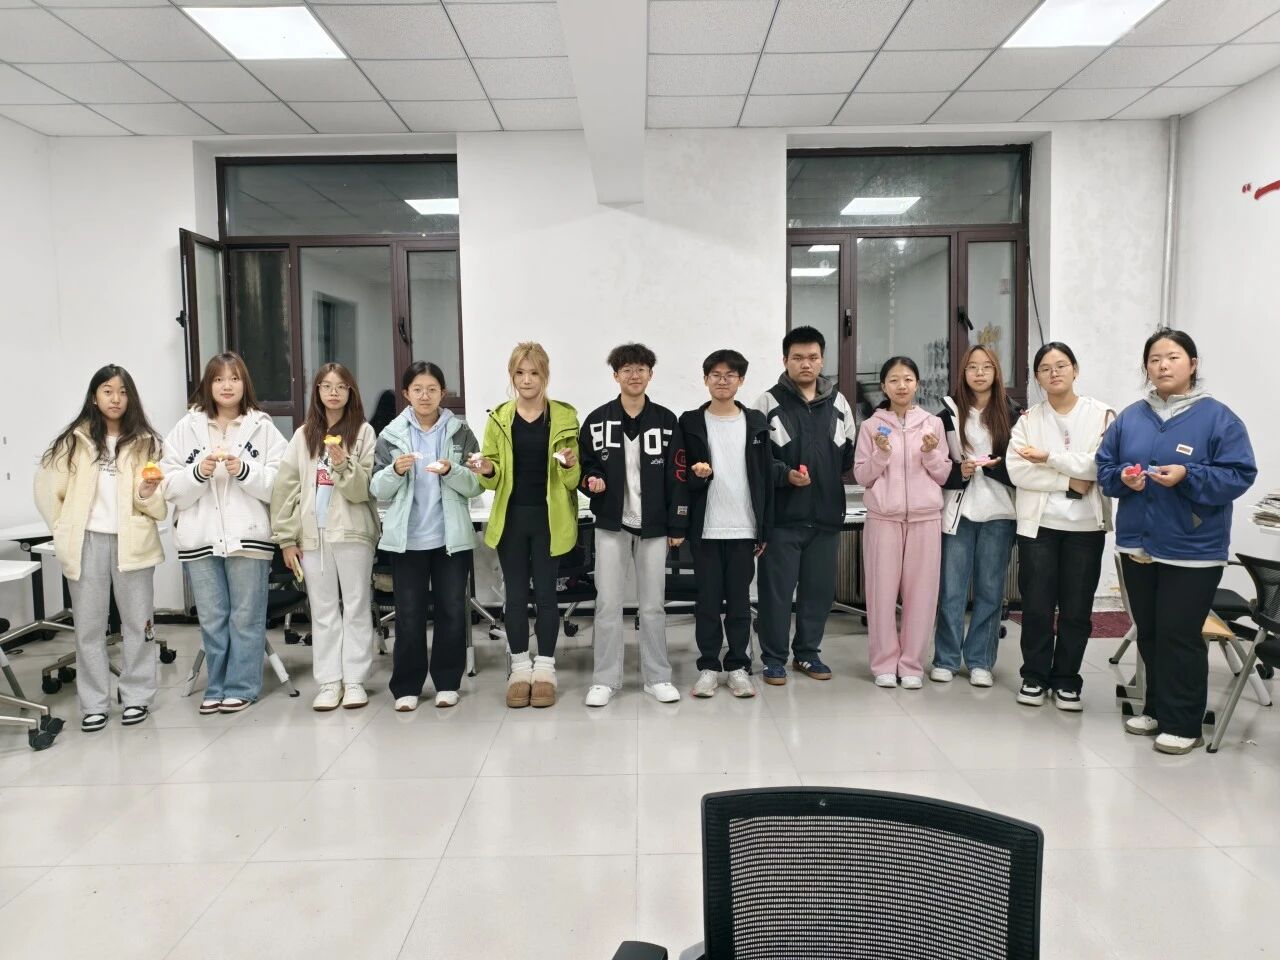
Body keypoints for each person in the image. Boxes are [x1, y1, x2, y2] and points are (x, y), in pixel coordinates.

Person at [1097, 329, 1256, 755]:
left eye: (1172, 357)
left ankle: (1184, 723)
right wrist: (1124, 478)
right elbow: (1105, 469)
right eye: (1154, 359)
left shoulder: (1218, 418)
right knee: (1149, 632)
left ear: (1193, 364)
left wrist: (1189, 475)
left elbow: (1239, 474)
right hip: (1138, 544)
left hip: (1193, 548)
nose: (1163, 365)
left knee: (1180, 635)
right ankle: (1155, 708)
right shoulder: (1131, 417)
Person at [34, 364, 166, 732]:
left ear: (130, 397)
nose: (115, 398)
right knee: (88, 628)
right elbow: (46, 490)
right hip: (86, 542)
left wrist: (146, 494)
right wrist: (63, 529)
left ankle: (137, 696)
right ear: (94, 396)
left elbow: (159, 505)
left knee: (138, 624)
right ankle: (94, 703)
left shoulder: (146, 442)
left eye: (122, 391)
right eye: (107, 391)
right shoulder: (73, 442)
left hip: (132, 541)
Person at [161, 352, 287, 715]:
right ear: (208, 385)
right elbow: (169, 486)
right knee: (213, 618)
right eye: (219, 379)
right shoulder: (186, 428)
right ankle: (215, 685)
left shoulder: (262, 428)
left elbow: (280, 484)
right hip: (199, 538)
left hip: (248, 536)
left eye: (234, 378)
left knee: (246, 616)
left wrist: (244, 470)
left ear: (245, 383)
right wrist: (198, 472)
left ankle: (242, 686)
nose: (227, 386)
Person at [469, 342, 581, 709]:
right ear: (511, 375)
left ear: (545, 375)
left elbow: (573, 480)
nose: (527, 379)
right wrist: (487, 469)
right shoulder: (500, 417)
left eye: (534, 372)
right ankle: (519, 669)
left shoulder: (565, 417)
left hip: (550, 519)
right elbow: (490, 476)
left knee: (547, 595)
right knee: (515, 596)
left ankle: (545, 669)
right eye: (520, 372)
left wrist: (569, 465)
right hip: (512, 519)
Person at [578, 343, 688, 707]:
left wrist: (677, 525)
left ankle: (657, 677)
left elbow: (678, 476)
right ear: (616, 376)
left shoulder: (666, 421)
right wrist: (591, 481)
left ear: (650, 374)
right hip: (611, 524)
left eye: (641, 369)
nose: (634, 375)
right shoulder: (597, 420)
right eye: (627, 369)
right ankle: (604, 680)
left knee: (653, 605)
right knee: (608, 603)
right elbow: (586, 466)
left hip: (655, 525)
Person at [1006, 342, 1112, 712]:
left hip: (1086, 527)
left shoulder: (1101, 415)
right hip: (1039, 526)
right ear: (1037, 377)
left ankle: (1067, 679)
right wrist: (1067, 480)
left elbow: (1100, 464)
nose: (1054, 373)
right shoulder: (1028, 420)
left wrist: (1049, 458)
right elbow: (1018, 470)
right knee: (1036, 605)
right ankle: (1034, 676)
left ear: (1075, 370)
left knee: (1076, 608)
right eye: (1045, 368)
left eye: (1061, 365)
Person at [370, 361, 482, 711]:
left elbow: (477, 484)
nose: (425, 396)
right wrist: (394, 470)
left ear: (442, 393)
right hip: (408, 540)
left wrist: (451, 471)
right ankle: (407, 686)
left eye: (432, 389)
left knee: (452, 611)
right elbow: (377, 488)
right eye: (417, 389)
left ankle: (448, 682)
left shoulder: (460, 432)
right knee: (409, 614)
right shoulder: (390, 434)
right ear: (406, 393)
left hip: (451, 538)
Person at [271, 363, 380, 712]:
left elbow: (363, 491)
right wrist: (287, 538)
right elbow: (285, 489)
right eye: (326, 386)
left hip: (352, 532)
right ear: (317, 391)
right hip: (312, 535)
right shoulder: (304, 435)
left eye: (341, 386)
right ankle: (330, 681)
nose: (334, 392)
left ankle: (355, 680)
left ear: (351, 392)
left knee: (356, 606)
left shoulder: (363, 433)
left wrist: (344, 463)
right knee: (322, 610)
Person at [753, 325, 857, 685]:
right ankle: (773, 658)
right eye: (797, 357)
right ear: (785, 360)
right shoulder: (767, 402)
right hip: (782, 519)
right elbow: (756, 460)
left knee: (818, 592)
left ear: (822, 360)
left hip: (826, 516)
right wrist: (785, 475)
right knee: (776, 594)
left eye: (813, 357)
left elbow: (849, 456)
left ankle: (808, 654)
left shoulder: (839, 403)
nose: (806, 364)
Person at [679, 349, 772, 699]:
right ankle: (707, 667)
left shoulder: (756, 422)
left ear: (741, 380)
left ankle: (737, 666)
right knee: (706, 603)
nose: (722, 381)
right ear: (705, 380)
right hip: (705, 528)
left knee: (738, 603)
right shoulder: (690, 422)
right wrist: (696, 475)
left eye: (730, 375)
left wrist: (764, 528)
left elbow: (765, 478)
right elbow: (679, 475)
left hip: (743, 527)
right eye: (715, 375)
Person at [854, 356, 951, 689]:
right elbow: (862, 476)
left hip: (925, 518)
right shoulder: (871, 427)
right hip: (883, 518)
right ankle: (883, 663)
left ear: (917, 384)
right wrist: (881, 453)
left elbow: (943, 474)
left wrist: (930, 453)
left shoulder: (932, 424)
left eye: (908, 379)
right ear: (884, 386)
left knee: (922, 595)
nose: (901, 385)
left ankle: (911, 665)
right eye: (894, 380)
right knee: (880, 594)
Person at [931, 345, 1021, 687]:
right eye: (972, 367)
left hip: (999, 512)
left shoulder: (1013, 414)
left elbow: (1022, 467)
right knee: (951, 591)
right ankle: (946, 658)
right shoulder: (946, 415)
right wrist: (961, 471)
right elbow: (936, 465)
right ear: (963, 373)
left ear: (996, 372)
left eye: (986, 367)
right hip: (959, 512)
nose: (979, 373)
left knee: (990, 590)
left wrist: (996, 467)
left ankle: (981, 660)